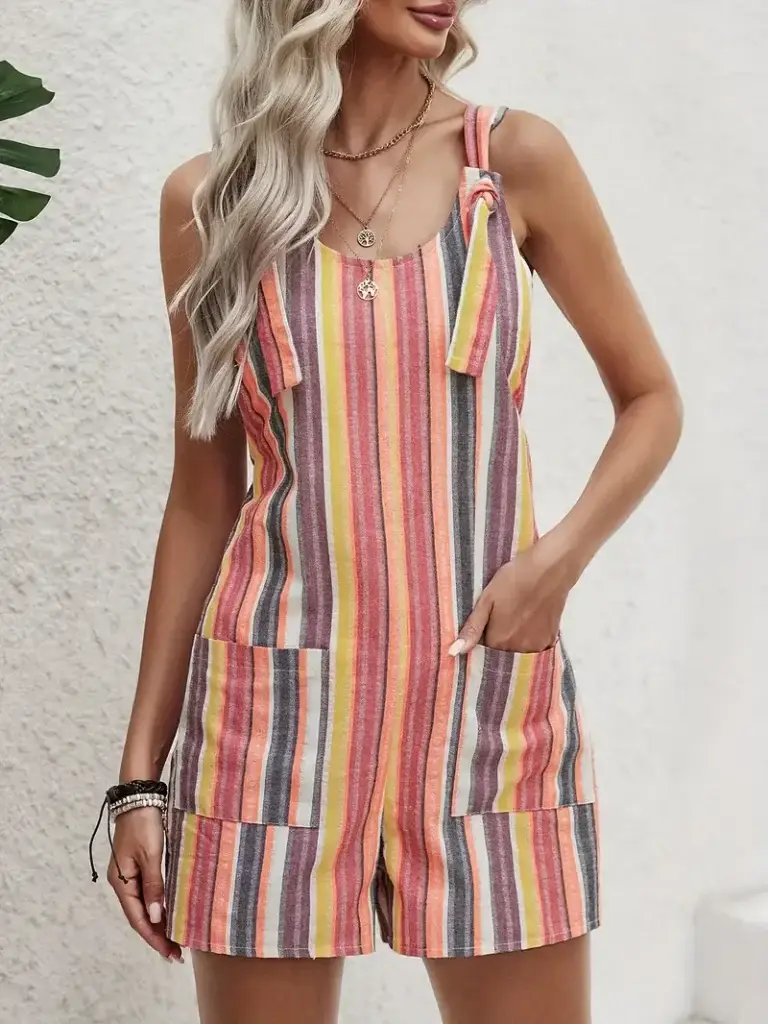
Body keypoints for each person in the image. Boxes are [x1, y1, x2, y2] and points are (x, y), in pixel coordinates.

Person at [101, 1, 682, 1021]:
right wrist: (139, 776)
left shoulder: (512, 164)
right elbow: (202, 495)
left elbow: (652, 399)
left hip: (485, 708)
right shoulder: (212, 203)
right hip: (272, 727)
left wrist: (554, 566)